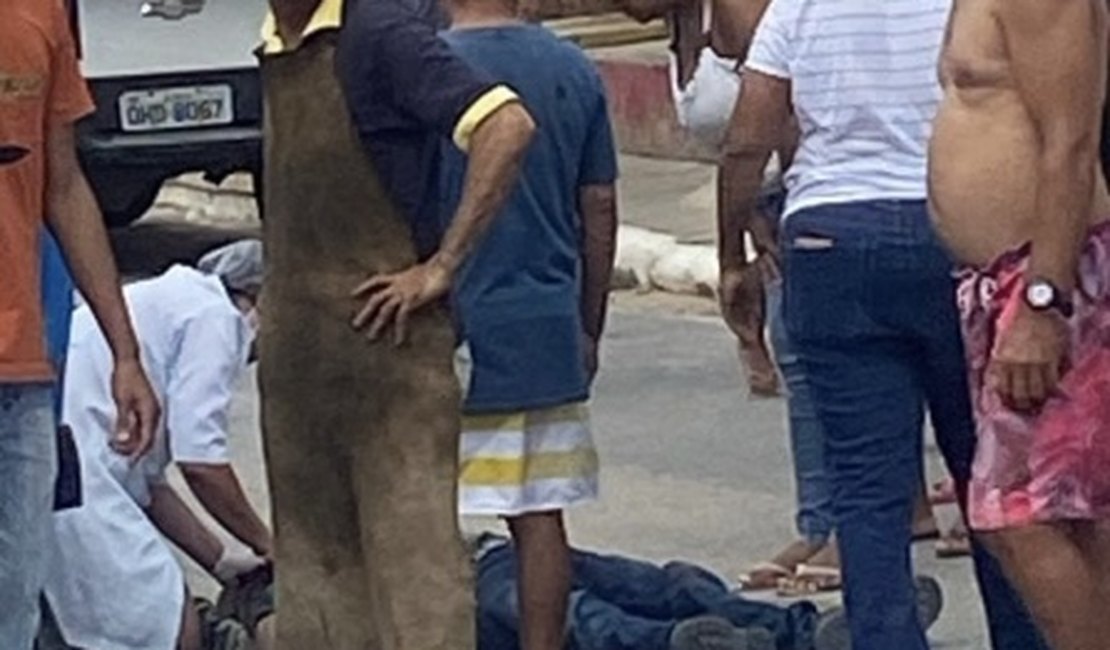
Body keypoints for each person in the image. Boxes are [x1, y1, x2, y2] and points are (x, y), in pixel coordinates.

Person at [719, 0, 1049, 648]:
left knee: (865, 490)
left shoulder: (799, 8)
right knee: (988, 475)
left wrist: (733, 254)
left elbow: (747, 139)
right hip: (955, 230)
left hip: (830, 239)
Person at [260, 1, 535, 647]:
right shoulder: (275, 45)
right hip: (298, 369)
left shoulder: (377, 33)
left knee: (416, 579)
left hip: (393, 366)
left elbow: (507, 124)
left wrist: (441, 266)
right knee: (314, 584)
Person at [929, 1, 1110, 648]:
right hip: (1001, 283)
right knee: (1063, 513)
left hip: (1042, 281)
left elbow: (1071, 143)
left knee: (1021, 512)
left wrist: (1043, 301)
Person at [436, 2, 617, 648]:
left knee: (424, 514)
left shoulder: (427, 68)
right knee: (539, 514)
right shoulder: (572, 67)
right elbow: (598, 207)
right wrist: (589, 322)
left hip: (442, 327)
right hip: (544, 320)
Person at [0, 2, 160, 647]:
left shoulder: (38, 12)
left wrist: (125, 352)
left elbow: (62, 186)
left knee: (14, 614)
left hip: (22, 375)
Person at [43, 241, 271, 650]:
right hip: (77, 481)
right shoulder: (217, 318)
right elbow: (201, 463)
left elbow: (149, 487)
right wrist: (268, 544)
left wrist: (220, 562)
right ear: (260, 298)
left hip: (61, 466)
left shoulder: (171, 303)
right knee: (164, 626)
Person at [473, 533, 945, 650]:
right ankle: (672, 643)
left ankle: (805, 632)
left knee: (659, 584)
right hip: (461, 588)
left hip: (487, 552)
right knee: (563, 607)